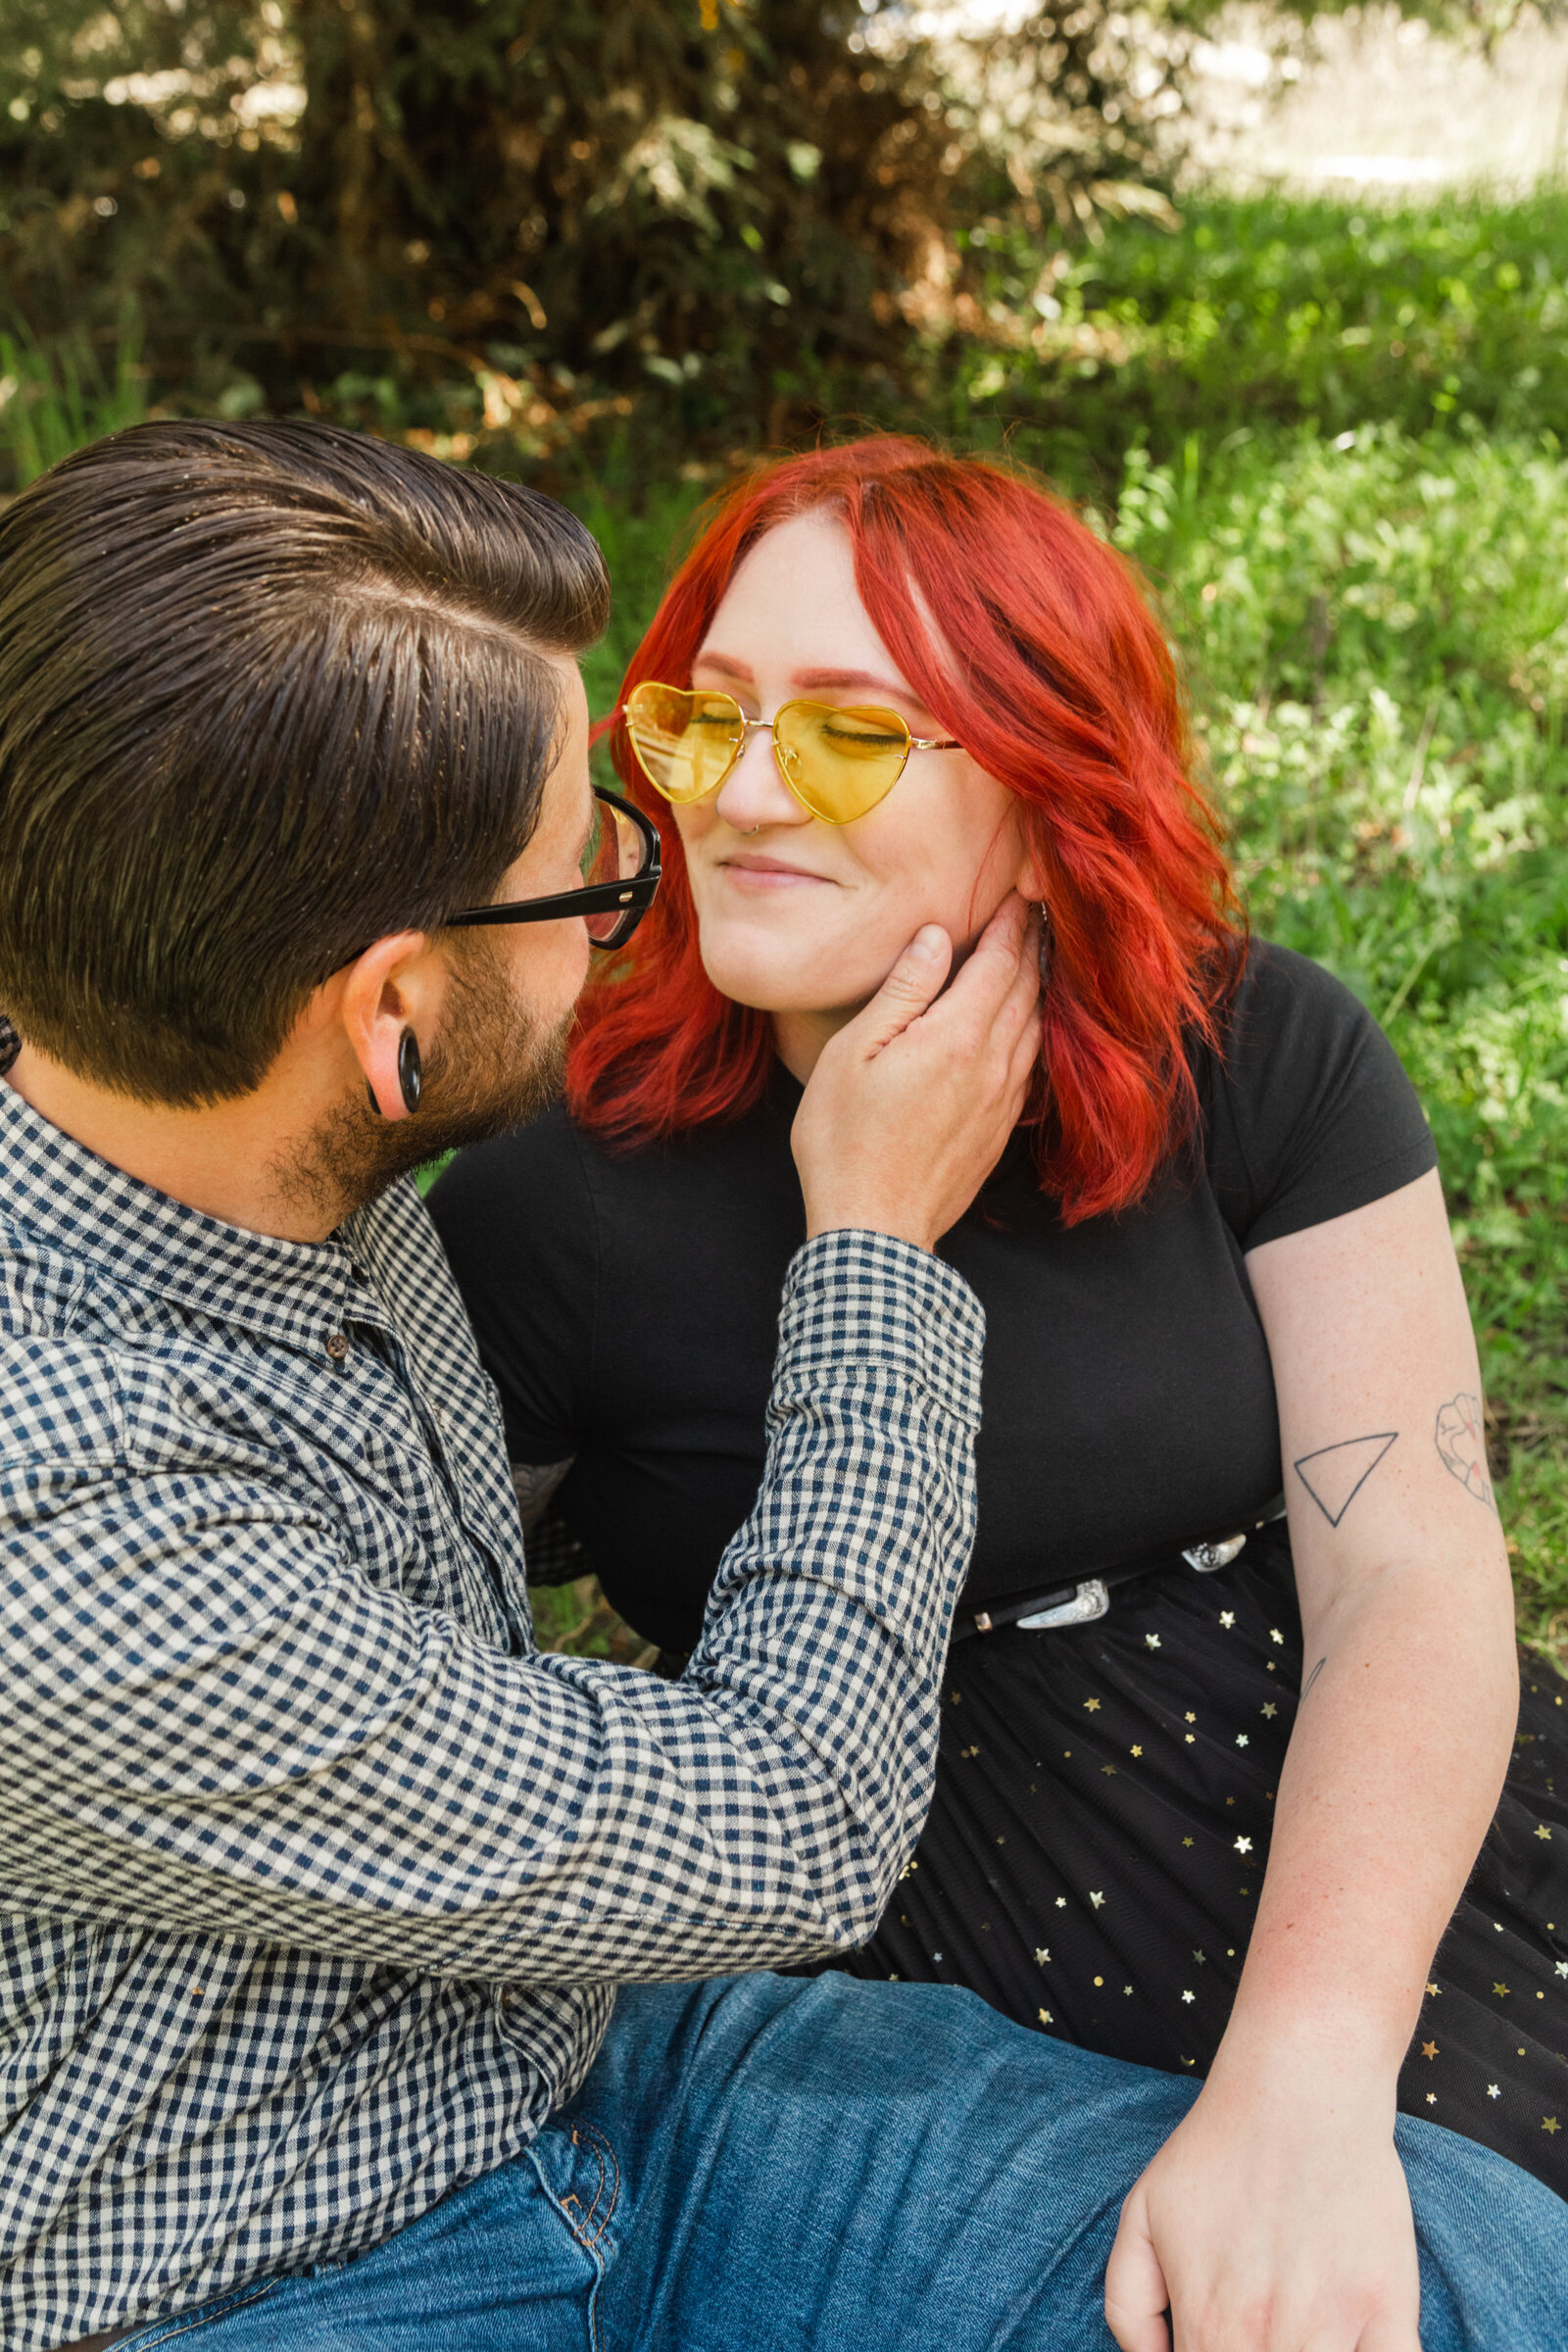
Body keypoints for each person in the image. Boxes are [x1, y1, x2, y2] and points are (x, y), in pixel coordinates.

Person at [11, 422, 1553, 2352]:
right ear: (389, 1019)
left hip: (610, 2075)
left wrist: (1302, 2084)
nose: (672, 844)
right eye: (600, 836)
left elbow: (1410, 1556)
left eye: (826, 736)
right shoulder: (97, 1481)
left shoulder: (263, 1117)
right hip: (284, 2249)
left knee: (1441, 2283)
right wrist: (868, 1249)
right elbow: (778, 1820)